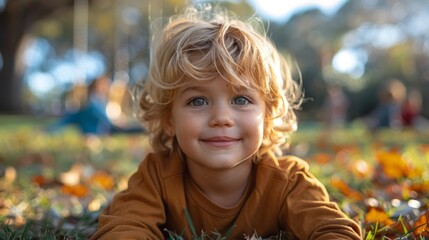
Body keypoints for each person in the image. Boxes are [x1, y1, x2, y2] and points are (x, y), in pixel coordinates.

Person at [91, 6, 361, 240]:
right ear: (168, 120)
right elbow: (125, 227)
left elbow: (333, 229)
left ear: (267, 116)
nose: (221, 118)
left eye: (241, 100)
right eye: (197, 101)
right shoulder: (157, 176)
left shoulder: (287, 181)